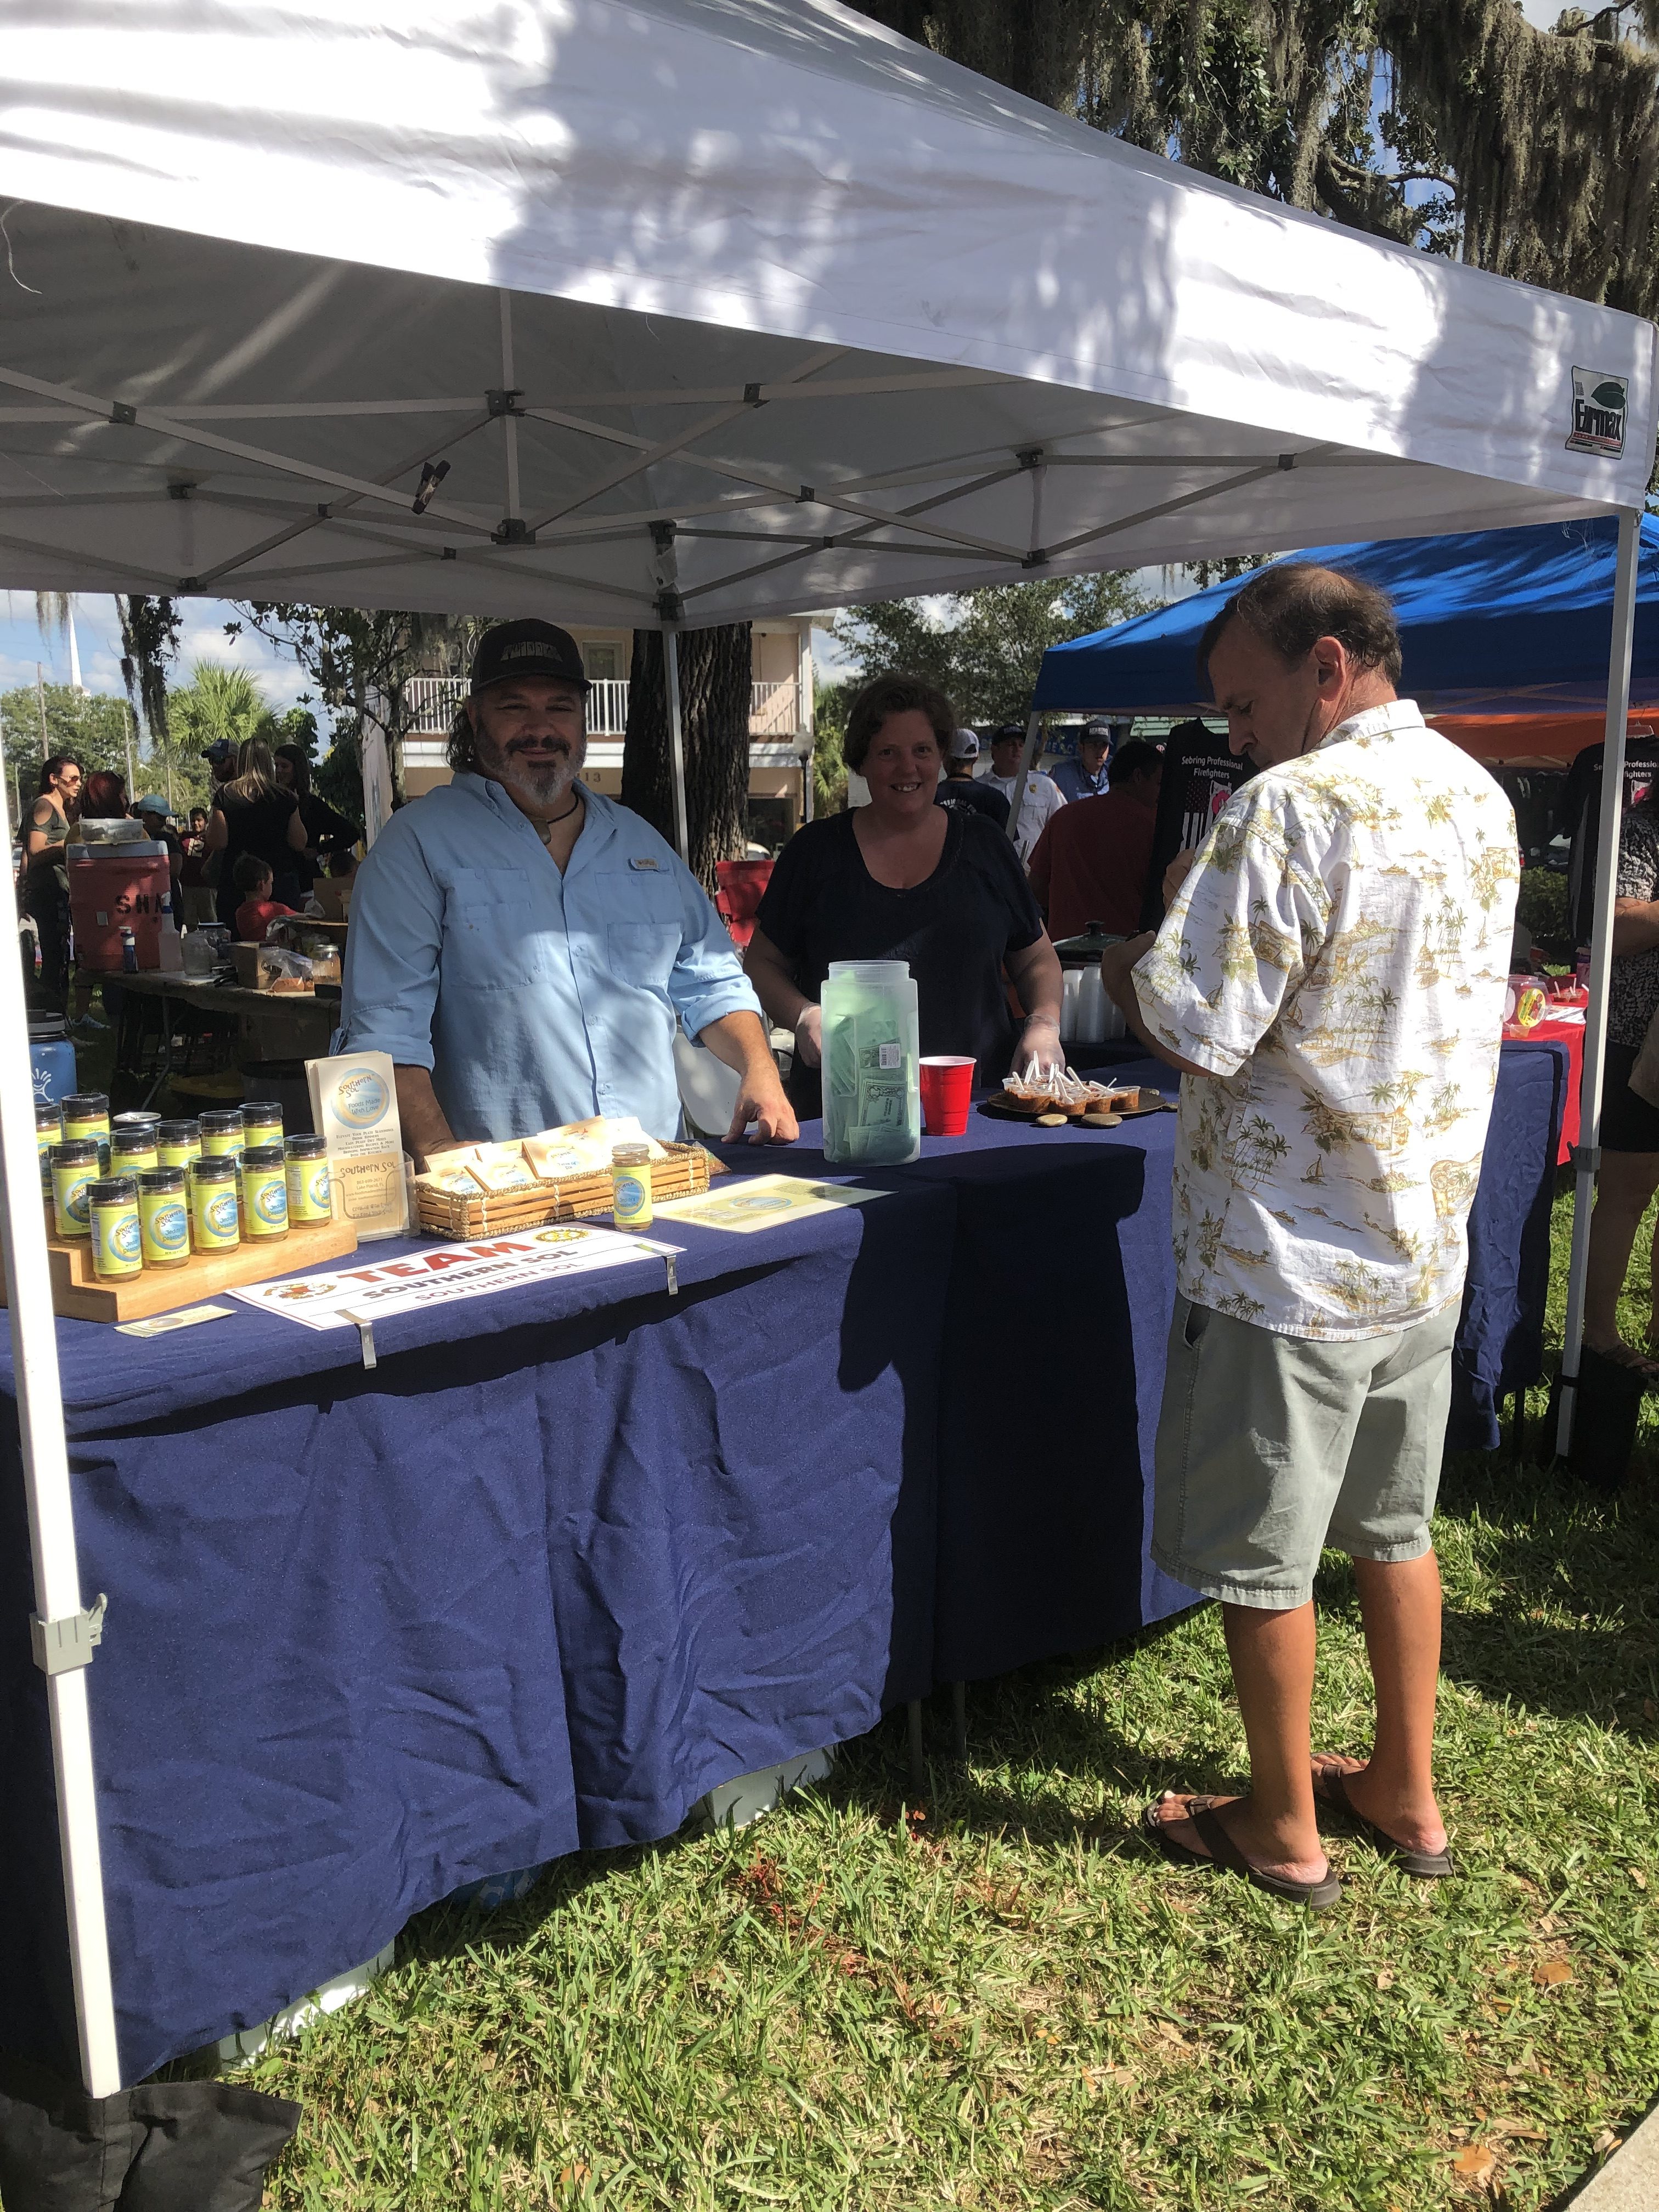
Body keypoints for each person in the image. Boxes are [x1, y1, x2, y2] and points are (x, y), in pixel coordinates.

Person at [1100, 564, 1516, 1909]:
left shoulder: (1287, 806)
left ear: (1326, 668)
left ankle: (1282, 1825)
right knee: (1397, 1529)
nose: (1233, 734)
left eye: (1241, 703)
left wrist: (1140, 945)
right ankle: (1405, 1785)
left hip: (1282, 1256)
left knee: (1264, 1551)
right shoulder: (1477, 793)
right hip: (1418, 1242)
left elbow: (1189, 1030)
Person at [338, 618, 794, 1158]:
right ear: (474, 717)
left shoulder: (639, 843)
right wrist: (439, 1151)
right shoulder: (418, 845)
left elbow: (712, 979)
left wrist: (759, 1069)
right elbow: (385, 1028)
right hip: (512, 1184)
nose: (540, 728)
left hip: (654, 1170)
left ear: (582, 719)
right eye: (514, 707)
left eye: (560, 707)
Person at [744, 673, 1064, 1119]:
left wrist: (1043, 1023)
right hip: (844, 1116)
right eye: (888, 753)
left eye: (922, 751)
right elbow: (761, 963)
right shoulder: (815, 852)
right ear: (862, 762)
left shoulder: (985, 845)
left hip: (976, 1111)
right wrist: (802, 1015)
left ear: (942, 756)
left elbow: (1037, 960)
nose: (908, 768)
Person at [1578, 786, 1659, 1378]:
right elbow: (1620, 928)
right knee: (1628, 1193)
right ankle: (1600, 1337)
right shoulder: (1639, 830)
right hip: (1637, 1043)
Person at [1026, 739, 1162, 941]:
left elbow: (1036, 889)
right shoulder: (1155, 826)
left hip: (1064, 949)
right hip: (1128, 950)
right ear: (1138, 777)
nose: (1162, 793)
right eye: (1159, 783)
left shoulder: (1064, 817)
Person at [206, 738, 306, 927]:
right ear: (268, 761)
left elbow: (218, 842)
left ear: (241, 761)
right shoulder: (285, 796)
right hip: (277, 883)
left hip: (237, 883)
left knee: (237, 940)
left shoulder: (225, 794)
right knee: (282, 939)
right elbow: (299, 843)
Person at [21, 754, 81, 1009]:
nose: (78, 783)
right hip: (48, 892)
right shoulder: (44, 806)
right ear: (54, 780)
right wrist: (68, 844)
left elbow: (27, 855)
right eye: (73, 778)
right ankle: (51, 1015)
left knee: (60, 956)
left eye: (80, 778)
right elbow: (34, 850)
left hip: (58, 890)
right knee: (55, 957)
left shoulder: (61, 809)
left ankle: (57, 1016)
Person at [274, 742, 358, 882]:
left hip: (304, 878)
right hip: (276, 879)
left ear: (297, 769)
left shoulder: (312, 805)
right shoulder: (272, 801)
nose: (279, 771)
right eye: (276, 765)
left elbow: (350, 833)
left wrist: (319, 849)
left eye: (284, 766)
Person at [982, 724, 1065, 862]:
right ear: (994, 750)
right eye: (1011, 744)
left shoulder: (1045, 785)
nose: (1017, 749)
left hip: (1033, 871)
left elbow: (1062, 827)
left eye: (1021, 745)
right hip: (991, 869)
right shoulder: (979, 787)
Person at [934, 730, 1010, 828]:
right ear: (976, 758)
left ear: (944, 757)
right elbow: (1009, 836)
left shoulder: (930, 796)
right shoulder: (995, 799)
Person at [1046, 718, 1118, 804]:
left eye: (1103, 746)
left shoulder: (1116, 773)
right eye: (1093, 745)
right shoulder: (1062, 774)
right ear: (1081, 748)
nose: (1099, 751)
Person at [231, 854, 298, 941]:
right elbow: (305, 918)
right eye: (271, 883)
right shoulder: (272, 909)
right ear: (262, 885)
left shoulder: (240, 912)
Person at [134, 794, 184, 901]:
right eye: (160, 818)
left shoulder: (167, 838)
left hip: (169, 898)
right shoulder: (131, 838)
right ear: (144, 815)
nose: (163, 823)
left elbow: (175, 869)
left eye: (165, 819)